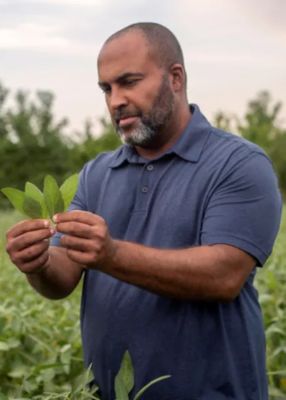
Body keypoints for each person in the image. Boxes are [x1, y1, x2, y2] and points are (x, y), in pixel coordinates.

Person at [6, 22, 282, 400]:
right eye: (107, 88)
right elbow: (62, 277)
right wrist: (37, 264)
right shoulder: (97, 174)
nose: (115, 100)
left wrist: (112, 255)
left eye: (129, 82)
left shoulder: (237, 163)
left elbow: (224, 275)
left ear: (176, 78)